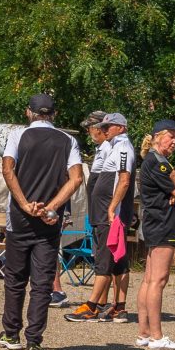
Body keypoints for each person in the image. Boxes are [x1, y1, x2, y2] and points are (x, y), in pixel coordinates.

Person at [0, 92, 81, 350]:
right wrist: (52, 206)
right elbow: (76, 178)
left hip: (20, 217)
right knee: (42, 282)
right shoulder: (68, 140)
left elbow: (7, 169)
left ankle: (11, 333)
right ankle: (34, 340)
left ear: (28, 112)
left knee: (15, 278)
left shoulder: (17, 136)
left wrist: (24, 203)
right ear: (53, 114)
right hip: (49, 219)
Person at [132, 119, 175, 350]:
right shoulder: (158, 163)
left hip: (156, 222)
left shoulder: (154, 160)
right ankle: (156, 336)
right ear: (157, 136)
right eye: (171, 136)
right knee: (158, 280)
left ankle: (144, 333)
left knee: (149, 279)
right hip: (163, 223)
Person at [73, 114, 135, 322]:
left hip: (109, 215)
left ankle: (93, 306)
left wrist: (111, 208)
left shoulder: (122, 147)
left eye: (108, 126)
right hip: (102, 213)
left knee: (106, 260)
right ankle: (114, 306)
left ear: (120, 127)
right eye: (102, 126)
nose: (103, 130)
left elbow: (124, 180)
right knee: (115, 260)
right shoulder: (113, 146)